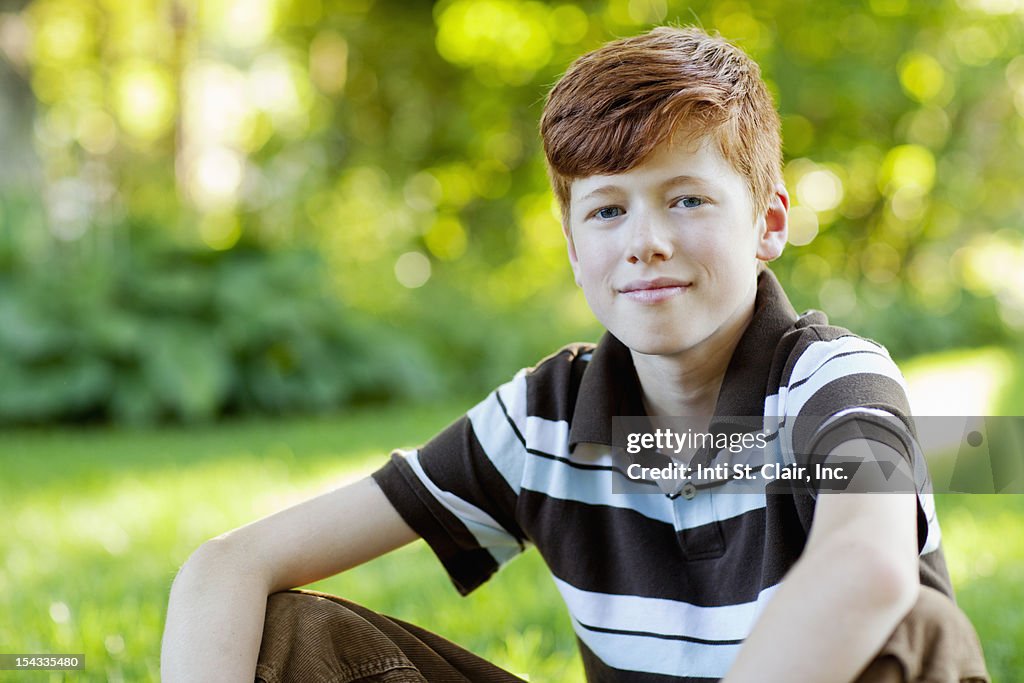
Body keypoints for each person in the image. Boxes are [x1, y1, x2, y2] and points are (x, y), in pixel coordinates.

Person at [161, 26, 990, 682]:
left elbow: (868, 568)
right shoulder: (543, 420)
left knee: (914, 631)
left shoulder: (834, 380)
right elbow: (228, 566)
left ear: (769, 222)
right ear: (570, 244)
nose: (647, 242)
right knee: (289, 633)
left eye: (688, 198)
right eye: (606, 211)